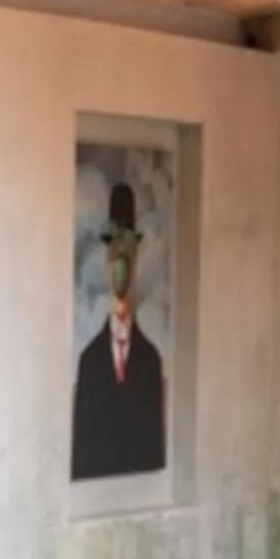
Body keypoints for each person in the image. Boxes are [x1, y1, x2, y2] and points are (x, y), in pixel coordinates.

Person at [71, 179, 166, 479]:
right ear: (105, 263)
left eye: (128, 257)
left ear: (137, 263)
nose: (121, 269)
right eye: (115, 257)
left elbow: (155, 460)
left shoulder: (150, 361)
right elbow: (80, 461)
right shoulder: (89, 362)